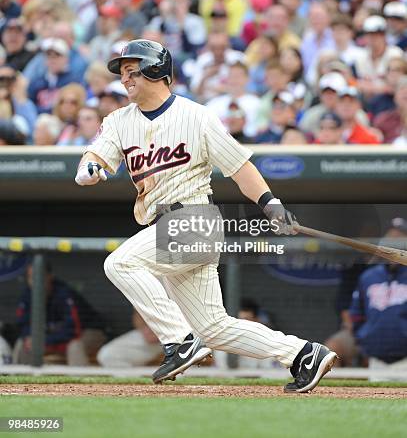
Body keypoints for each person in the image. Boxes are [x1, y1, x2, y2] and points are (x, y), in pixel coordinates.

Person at [75, 38, 337, 392]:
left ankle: (179, 342)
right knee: (213, 327)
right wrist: (90, 168)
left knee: (120, 264)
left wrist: (271, 204)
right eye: (122, 73)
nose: (124, 79)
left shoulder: (196, 116)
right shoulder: (119, 121)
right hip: (164, 227)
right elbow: (93, 159)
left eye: (131, 70)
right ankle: (303, 353)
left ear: (155, 69)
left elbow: (239, 166)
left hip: (193, 218)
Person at [13, 262, 106, 365]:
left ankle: (81, 380)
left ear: (50, 276)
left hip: (89, 331)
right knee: (22, 344)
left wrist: (44, 340)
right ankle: (22, 379)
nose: (35, 281)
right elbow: (22, 326)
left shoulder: (64, 293)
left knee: (75, 346)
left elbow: (74, 331)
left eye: (39, 276)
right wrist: (32, 338)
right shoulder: (27, 295)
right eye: (31, 277)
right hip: (53, 337)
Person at [349, 218, 407, 380]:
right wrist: (365, 343)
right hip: (377, 361)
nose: (394, 245)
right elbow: (356, 315)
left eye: (400, 239)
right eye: (391, 239)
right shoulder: (369, 276)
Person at [97, 310, 162, 368]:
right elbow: (138, 313)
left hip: (167, 337)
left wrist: (161, 332)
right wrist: (145, 329)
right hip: (150, 334)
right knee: (107, 355)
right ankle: (134, 379)